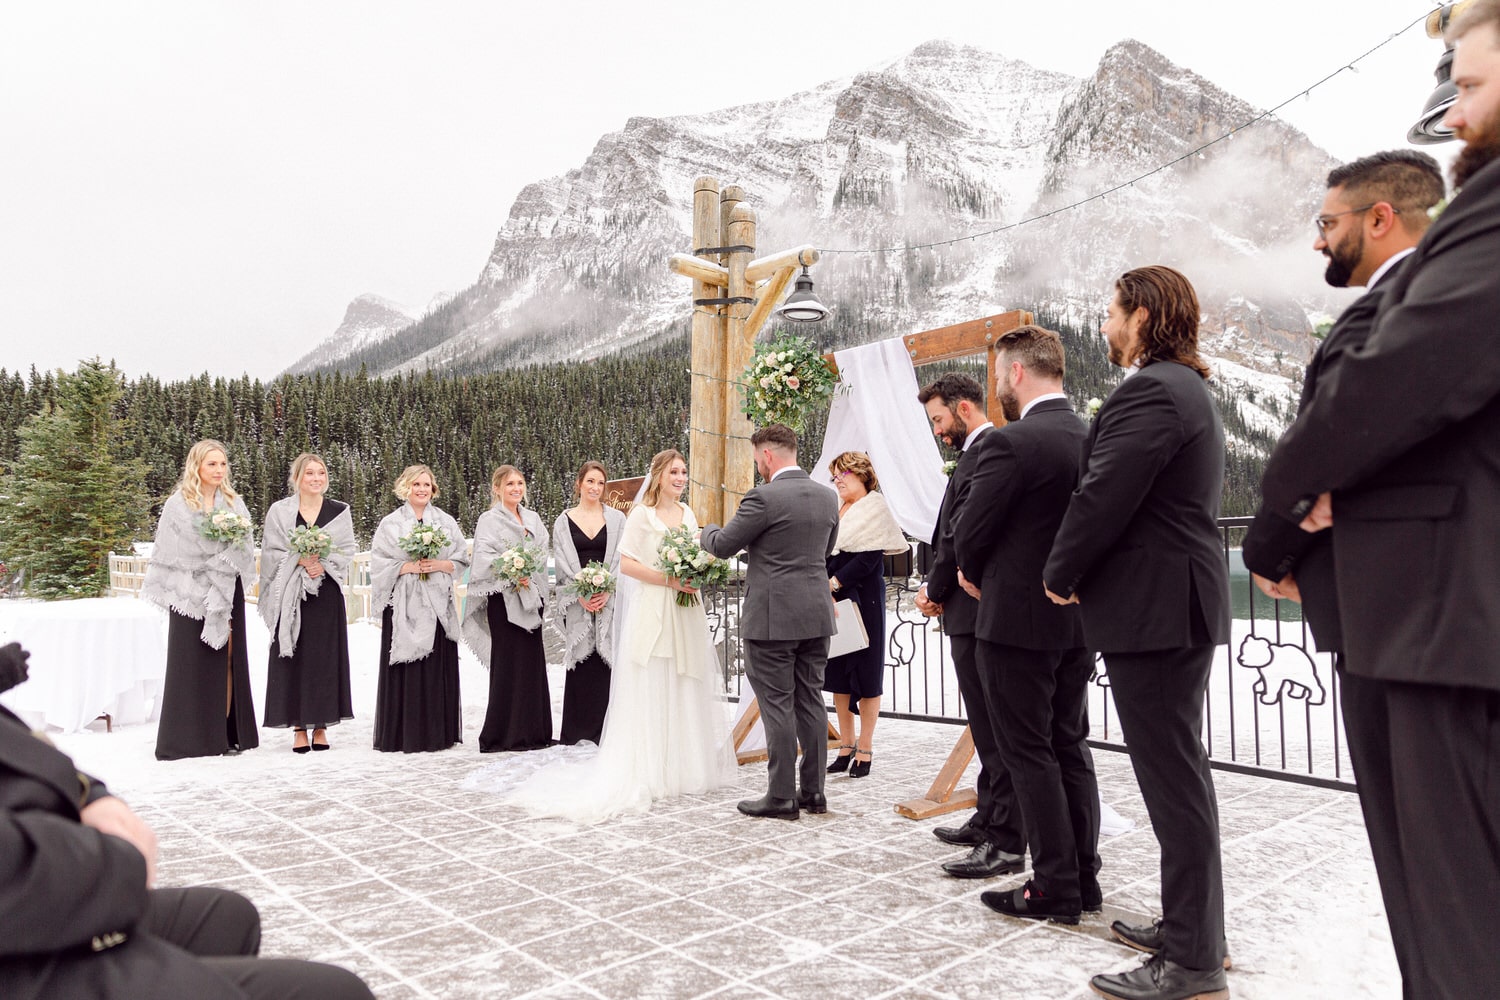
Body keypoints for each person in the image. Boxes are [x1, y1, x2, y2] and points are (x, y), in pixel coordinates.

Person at [1258, 7, 1500, 993]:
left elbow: (1383, 383)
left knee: (1459, 919)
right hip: (1421, 613)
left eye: (1472, 79)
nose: (1452, 107)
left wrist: (1295, 491)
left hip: (1446, 617)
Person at [1241, 150, 1442, 995]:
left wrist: (1271, 547)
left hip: (1399, 617)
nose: (1318, 239)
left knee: (1422, 860)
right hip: (1405, 607)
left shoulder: (1403, 307)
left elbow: (1320, 443)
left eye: (1328, 222)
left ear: (1379, 218)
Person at [1044, 266, 1231, 1000]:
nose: (1102, 325)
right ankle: (1193, 931)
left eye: (1110, 312)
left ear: (1144, 315)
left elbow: (1103, 495)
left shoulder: (1153, 390)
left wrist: (1060, 572)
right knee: (1178, 778)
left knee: (1174, 783)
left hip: (1156, 610)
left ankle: (1191, 961)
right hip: (1167, 605)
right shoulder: (1182, 388)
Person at [0, 642, 374, 1000]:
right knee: (336, 992)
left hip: (37, 897)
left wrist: (90, 796)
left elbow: (26, 753)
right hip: (25, 961)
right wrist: (118, 862)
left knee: (229, 917)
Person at [491, 448, 736, 823]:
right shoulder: (641, 515)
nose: (680, 478)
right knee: (655, 678)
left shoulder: (687, 514)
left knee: (684, 678)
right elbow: (627, 565)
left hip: (685, 606)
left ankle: (684, 765)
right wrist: (671, 579)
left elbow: (694, 551)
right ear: (658, 475)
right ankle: (653, 766)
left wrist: (696, 573)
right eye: (673, 472)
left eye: (684, 472)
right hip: (655, 605)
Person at [949, 325, 1101, 924]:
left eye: (997, 376)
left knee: (1027, 752)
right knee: (1071, 745)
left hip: (1014, 622)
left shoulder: (1011, 444)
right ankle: (1084, 877)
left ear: (1015, 372)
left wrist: (971, 571)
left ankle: (1054, 885)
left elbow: (972, 530)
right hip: (1078, 621)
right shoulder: (1092, 437)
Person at [914, 374, 1027, 879]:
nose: (938, 432)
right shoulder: (979, 451)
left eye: (939, 420)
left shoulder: (988, 450)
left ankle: (1004, 831)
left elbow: (961, 533)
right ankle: (988, 815)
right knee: (984, 726)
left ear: (963, 409)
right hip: (968, 607)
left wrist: (935, 591)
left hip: (976, 606)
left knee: (994, 725)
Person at [702, 424, 840, 820]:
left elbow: (724, 544)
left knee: (777, 704)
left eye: (756, 459)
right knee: (811, 700)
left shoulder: (762, 498)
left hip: (773, 617)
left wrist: (704, 532)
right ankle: (813, 793)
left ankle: (781, 796)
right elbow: (822, 552)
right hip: (815, 613)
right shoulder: (827, 497)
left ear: (766, 456)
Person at [140, 439, 260, 760]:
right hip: (188, 592)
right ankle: (188, 739)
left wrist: (221, 564)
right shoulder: (177, 505)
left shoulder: (235, 503)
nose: (219, 470)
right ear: (197, 466)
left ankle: (224, 733)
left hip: (224, 590)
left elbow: (246, 546)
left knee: (229, 658)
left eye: (222, 464)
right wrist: (206, 563)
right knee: (189, 664)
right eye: (212, 464)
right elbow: (168, 549)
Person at [258, 452, 357, 753]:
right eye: (310, 473)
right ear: (297, 478)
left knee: (324, 658)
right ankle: (299, 726)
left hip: (325, 593)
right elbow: (271, 551)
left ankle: (322, 724)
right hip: (291, 593)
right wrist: (297, 559)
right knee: (295, 655)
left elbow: (347, 550)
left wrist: (323, 564)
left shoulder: (339, 511)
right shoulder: (280, 511)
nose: (316, 479)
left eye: (321, 473)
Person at [370, 464, 468, 753]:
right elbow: (379, 563)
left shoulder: (446, 522)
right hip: (404, 603)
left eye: (427, 485)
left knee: (435, 666)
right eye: (416, 485)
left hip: (438, 603)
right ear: (406, 487)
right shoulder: (390, 523)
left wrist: (438, 564)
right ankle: (404, 733)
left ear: (433, 489)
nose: (422, 489)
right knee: (409, 667)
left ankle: (438, 733)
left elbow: (461, 559)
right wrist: (406, 567)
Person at [822, 451, 907, 778]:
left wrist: (834, 582)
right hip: (832, 600)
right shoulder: (836, 510)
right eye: (835, 476)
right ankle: (846, 745)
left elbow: (869, 559)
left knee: (867, 674)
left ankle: (866, 748)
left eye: (843, 474)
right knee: (839, 673)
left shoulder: (876, 507)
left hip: (863, 599)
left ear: (862, 475)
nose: (838, 481)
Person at [464, 465, 553, 752]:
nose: (516, 488)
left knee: (531, 663)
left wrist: (528, 570)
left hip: (530, 597)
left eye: (520, 483)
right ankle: (505, 733)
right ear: (497, 488)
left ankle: (534, 732)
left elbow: (542, 550)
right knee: (507, 665)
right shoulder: (488, 520)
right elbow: (483, 558)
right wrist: (509, 570)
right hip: (502, 601)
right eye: (510, 484)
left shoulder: (533, 519)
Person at [552, 461, 627, 745]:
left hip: (609, 600)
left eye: (600, 483)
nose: (595, 488)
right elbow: (561, 563)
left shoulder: (618, 520)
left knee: (607, 664)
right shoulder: (564, 520)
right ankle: (577, 731)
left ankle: (606, 732)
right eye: (590, 482)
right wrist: (580, 593)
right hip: (578, 601)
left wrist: (608, 590)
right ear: (579, 484)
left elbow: (622, 559)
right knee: (582, 663)